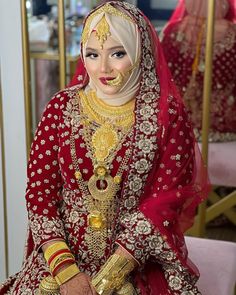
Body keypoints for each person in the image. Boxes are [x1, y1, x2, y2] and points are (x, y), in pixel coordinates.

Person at [0, 2, 210, 294]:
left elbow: (165, 199)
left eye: (118, 53)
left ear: (140, 52)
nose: (103, 68)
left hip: (135, 257)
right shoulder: (61, 108)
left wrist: (111, 276)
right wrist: (66, 271)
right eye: (92, 54)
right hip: (63, 256)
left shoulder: (166, 115)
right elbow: (40, 194)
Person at [161, 0, 236, 142]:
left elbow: (162, 77)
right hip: (223, 128)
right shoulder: (233, 33)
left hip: (179, 127)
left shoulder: (173, 30)